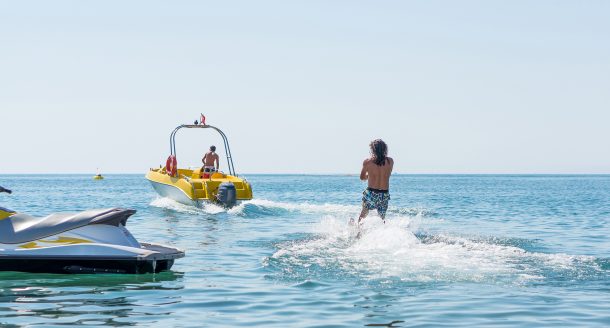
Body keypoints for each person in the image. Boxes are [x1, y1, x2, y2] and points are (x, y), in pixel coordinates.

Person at [358, 139, 393, 224]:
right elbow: (388, 173)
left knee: (363, 214)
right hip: (384, 194)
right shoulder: (390, 161)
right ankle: (381, 235)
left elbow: (362, 177)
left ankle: (358, 233)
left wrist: (369, 176)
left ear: (373, 150)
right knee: (382, 218)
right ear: (385, 149)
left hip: (371, 192)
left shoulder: (367, 162)